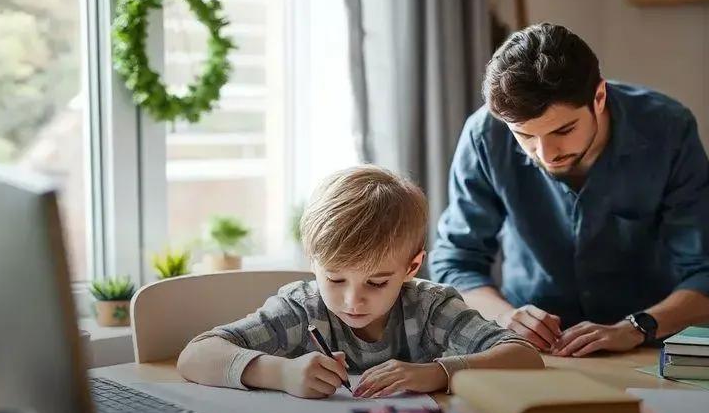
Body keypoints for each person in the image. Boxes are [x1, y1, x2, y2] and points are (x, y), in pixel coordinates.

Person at [431, 23, 709, 357]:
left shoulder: (668, 129)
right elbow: (456, 262)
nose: (546, 154)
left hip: (646, 346)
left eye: (564, 130)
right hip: (531, 352)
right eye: (525, 136)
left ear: (599, 97)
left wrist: (637, 327)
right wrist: (505, 317)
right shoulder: (484, 135)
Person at [177, 165, 542, 399]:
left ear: (412, 266)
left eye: (378, 282)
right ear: (312, 261)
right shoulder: (302, 309)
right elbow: (196, 355)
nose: (353, 300)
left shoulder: (430, 308)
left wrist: (434, 374)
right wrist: (281, 372)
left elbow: (525, 357)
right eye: (335, 278)